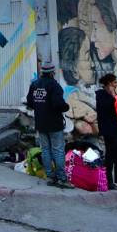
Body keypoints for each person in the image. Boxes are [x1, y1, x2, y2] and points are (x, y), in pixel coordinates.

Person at [26, 58, 72, 188]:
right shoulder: (54, 85)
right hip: (54, 124)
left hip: (41, 122)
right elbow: (58, 104)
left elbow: (30, 103)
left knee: (45, 150)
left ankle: (50, 177)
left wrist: (41, 108)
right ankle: (62, 179)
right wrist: (66, 107)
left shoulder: (34, 85)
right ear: (52, 72)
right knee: (58, 150)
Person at [95, 73, 117, 191]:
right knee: (110, 156)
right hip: (110, 130)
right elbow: (106, 107)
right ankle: (109, 181)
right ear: (109, 83)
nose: (116, 84)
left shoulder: (116, 95)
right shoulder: (101, 95)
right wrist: (111, 95)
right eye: (114, 82)